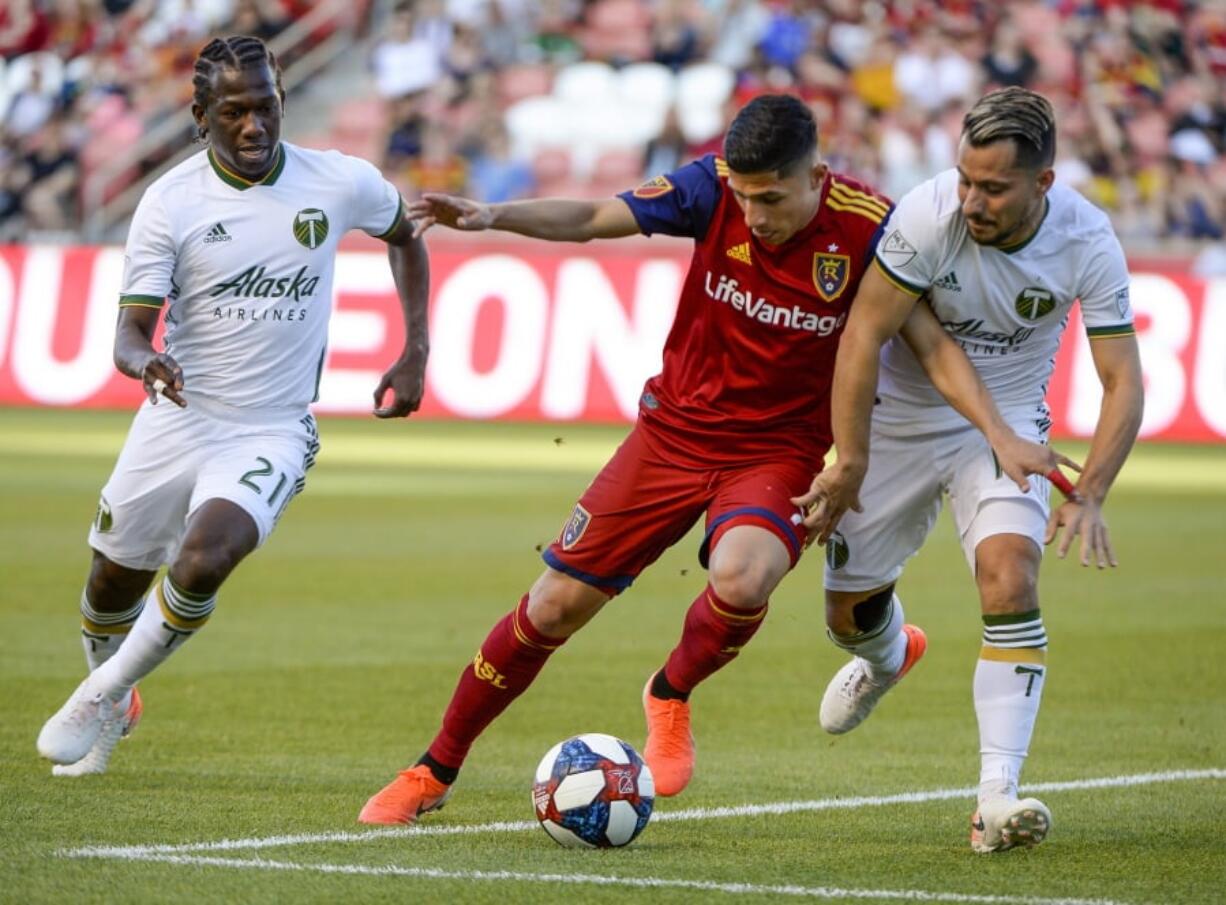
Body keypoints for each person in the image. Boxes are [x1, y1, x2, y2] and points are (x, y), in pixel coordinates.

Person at [357, 94, 1061, 826]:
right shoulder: (709, 185)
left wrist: (999, 434)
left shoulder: (869, 226)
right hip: (671, 435)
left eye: (772, 198)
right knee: (553, 605)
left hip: (778, 452)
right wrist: (494, 214)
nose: (754, 215)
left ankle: (669, 691)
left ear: (816, 174)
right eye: (745, 197)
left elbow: (928, 340)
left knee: (745, 573)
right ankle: (432, 768)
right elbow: (598, 220)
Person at [36, 34, 431, 776]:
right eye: (235, 112)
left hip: (271, 428)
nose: (255, 126)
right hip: (178, 417)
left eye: (267, 107)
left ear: (283, 101)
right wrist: (145, 361)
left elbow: (406, 236)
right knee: (108, 583)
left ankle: (99, 692)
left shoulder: (337, 181)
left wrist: (416, 351)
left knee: (207, 555)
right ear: (200, 115)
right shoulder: (170, 202)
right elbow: (127, 332)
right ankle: (117, 702)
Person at [795, 87, 1144, 853]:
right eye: (965, 179)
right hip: (900, 416)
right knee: (845, 616)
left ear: (1043, 184)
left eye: (993, 188)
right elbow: (863, 338)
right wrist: (849, 460)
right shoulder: (926, 215)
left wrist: (1090, 493)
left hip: (1011, 426)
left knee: (1010, 577)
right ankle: (888, 655)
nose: (972, 200)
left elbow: (1123, 379)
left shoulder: (1088, 239)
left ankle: (996, 796)